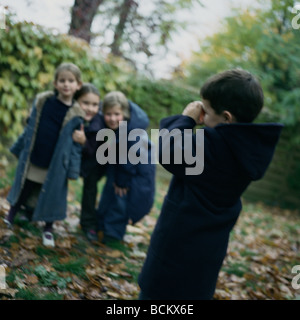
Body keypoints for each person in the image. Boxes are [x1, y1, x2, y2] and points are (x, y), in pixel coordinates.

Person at [138, 69, 284, 300]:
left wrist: (186, 118)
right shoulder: (247, 150)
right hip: (206, 256)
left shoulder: (212, 146)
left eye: (205, 112)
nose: (202, 118)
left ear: (226, 118)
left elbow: (166, 150)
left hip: (176, 252)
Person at [5, 62, 85, 248]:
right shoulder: (43, 102)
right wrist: (18, 148)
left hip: (56, 163)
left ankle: (48, 228)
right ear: (55, 83)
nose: (66, 84)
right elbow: (30, 129)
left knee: (52, 195)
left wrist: (73, 170)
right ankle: (12, 214)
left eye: (71, 81)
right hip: (36, 156)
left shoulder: (76, 115)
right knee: (26, 187)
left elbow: (75, 147)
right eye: (62, 80)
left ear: (78, 85)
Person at [96, 91, 156, 243]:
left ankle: (112, 235)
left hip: (133, 172)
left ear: (125, 113)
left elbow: (132, 156)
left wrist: (122, 180)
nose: (112, 118)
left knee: (120, 198)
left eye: (117, 114)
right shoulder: (120, 127)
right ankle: (102, 226)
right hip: (121, 167)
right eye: (108, 114)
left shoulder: (132, 130)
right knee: (110, 193)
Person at [72, 83, 106, 242]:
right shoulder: (71, 114)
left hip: (92, 162)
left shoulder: (99, 123)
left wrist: (85, 142)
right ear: (77, 101)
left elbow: (97, 149)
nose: (90, 109)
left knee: (90, 191)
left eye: (94, 105)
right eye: (86, 103)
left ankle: (88, 223)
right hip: (70, 157)